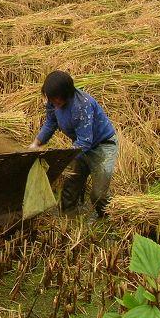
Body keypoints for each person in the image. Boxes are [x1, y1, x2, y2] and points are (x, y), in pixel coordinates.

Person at [28, 71, 118, 218]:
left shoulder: (82, 106)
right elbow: (51, 123)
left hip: (102, 147)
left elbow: (84, 142)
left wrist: (63, 159)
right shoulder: (52, 102)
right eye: (51, 98)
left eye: (56, 99)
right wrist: (36, 143)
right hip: (79, 147)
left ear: (66, 94)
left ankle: (108, 219)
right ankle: (69, 218)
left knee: (98, 195)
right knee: (70, 188)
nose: (53, 103)